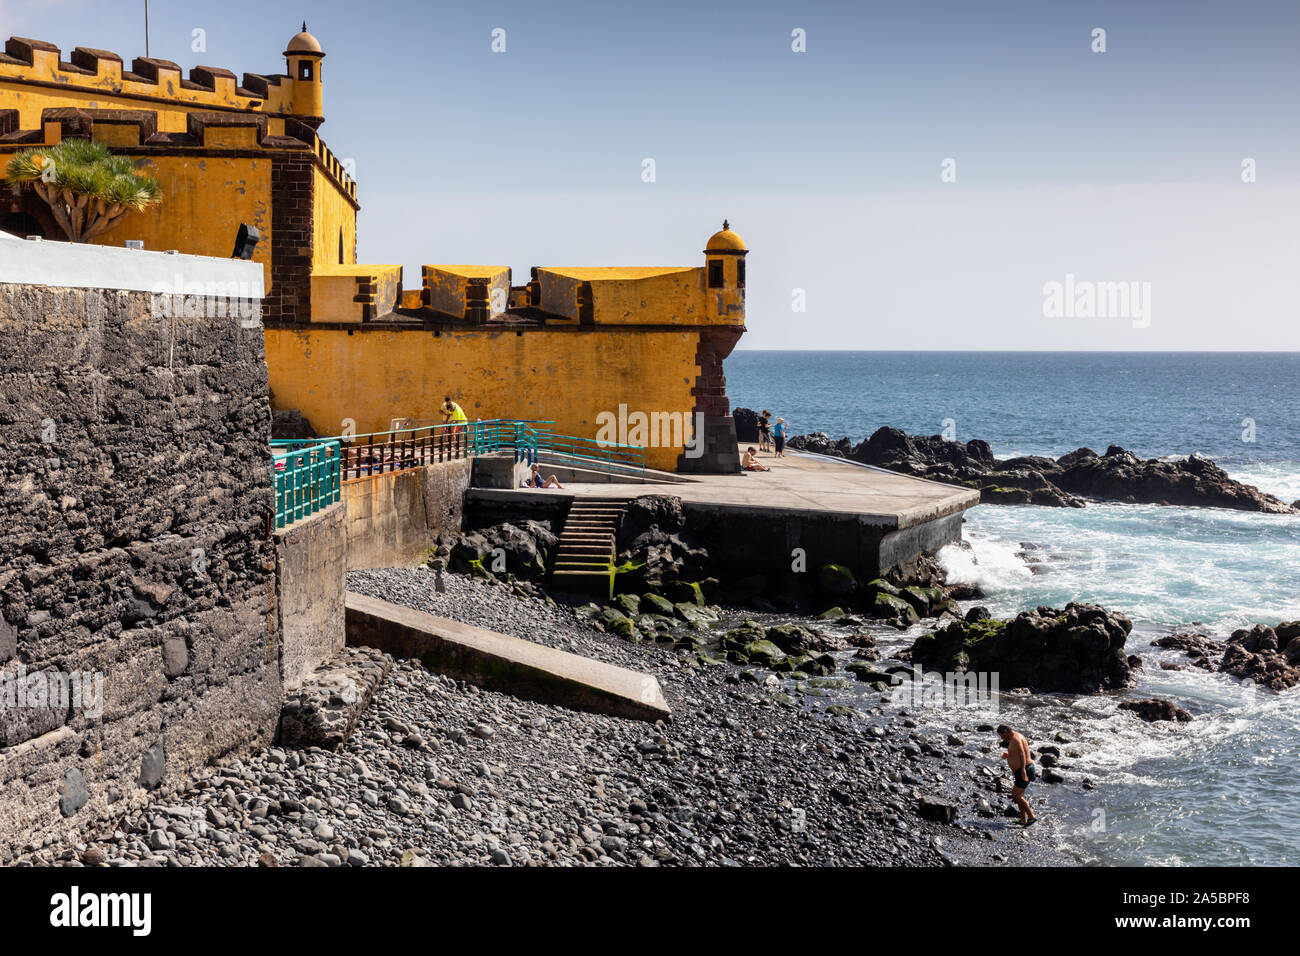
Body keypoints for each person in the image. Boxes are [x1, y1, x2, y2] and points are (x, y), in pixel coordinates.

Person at [997, 724, 1038, 827]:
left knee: (1016, 795)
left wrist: (1023, 770)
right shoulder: (1016, 736)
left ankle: (1032, 817)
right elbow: (1017, 752)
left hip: (1024, 770)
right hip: (1022, 770)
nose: (1002, 738)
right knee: (1020, 796)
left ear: (1006, 731)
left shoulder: (1015, 739)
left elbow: (1022, 754)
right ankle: (1023, 819)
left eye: (1002, 736)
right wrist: (1008, 755)